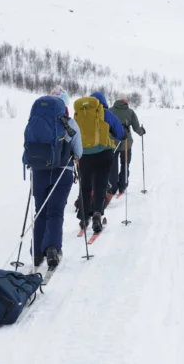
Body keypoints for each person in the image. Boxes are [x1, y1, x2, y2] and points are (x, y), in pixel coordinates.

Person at [27, 86, 82, 269]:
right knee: (55, 212)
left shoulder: (35, 120)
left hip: (39, 171)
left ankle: (36, 253)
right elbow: (79, 152)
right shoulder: (69, 123)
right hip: (62, 171)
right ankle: (51, 248)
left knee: (40, 210)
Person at [74, 91, 125, 233]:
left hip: (84, 155)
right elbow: (120, 133)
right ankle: (97, 214)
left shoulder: (80, 115)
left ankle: (84, 218)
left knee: (85, 186)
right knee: (100, 185)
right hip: (104, 154)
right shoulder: (106, 114)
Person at [107, 98, 145, 201]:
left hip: (112, 144)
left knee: (112, 167)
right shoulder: (130, 112)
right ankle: (122, 186)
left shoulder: (109, 111)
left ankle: (112, 187)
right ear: (126, 102)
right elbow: (136, 128)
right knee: (125, 164)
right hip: (126, 144)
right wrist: (142, 132)